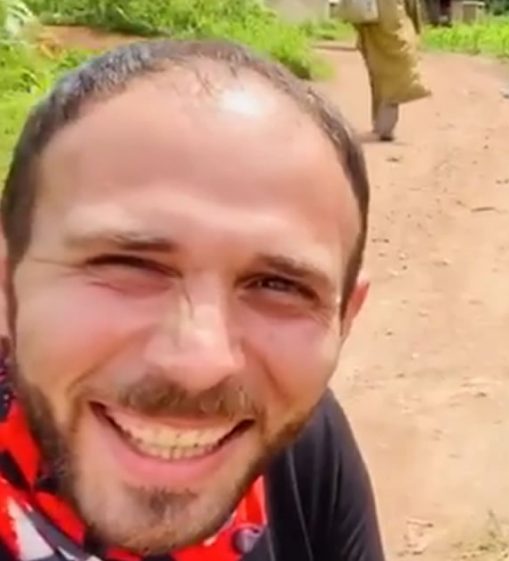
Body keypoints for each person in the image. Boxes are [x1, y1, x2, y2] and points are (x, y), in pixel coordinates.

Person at [0, 39, 384, 561]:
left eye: (279, 285)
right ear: (6, 284)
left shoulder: (301, 446)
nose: (199, 365)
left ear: (344, 320)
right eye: (128, 265)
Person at [350, 0, 432, 141]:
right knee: (396, 75)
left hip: (373, 21)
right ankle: (384, 126)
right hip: (392, 23)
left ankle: (381, 124)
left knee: (379, 73)